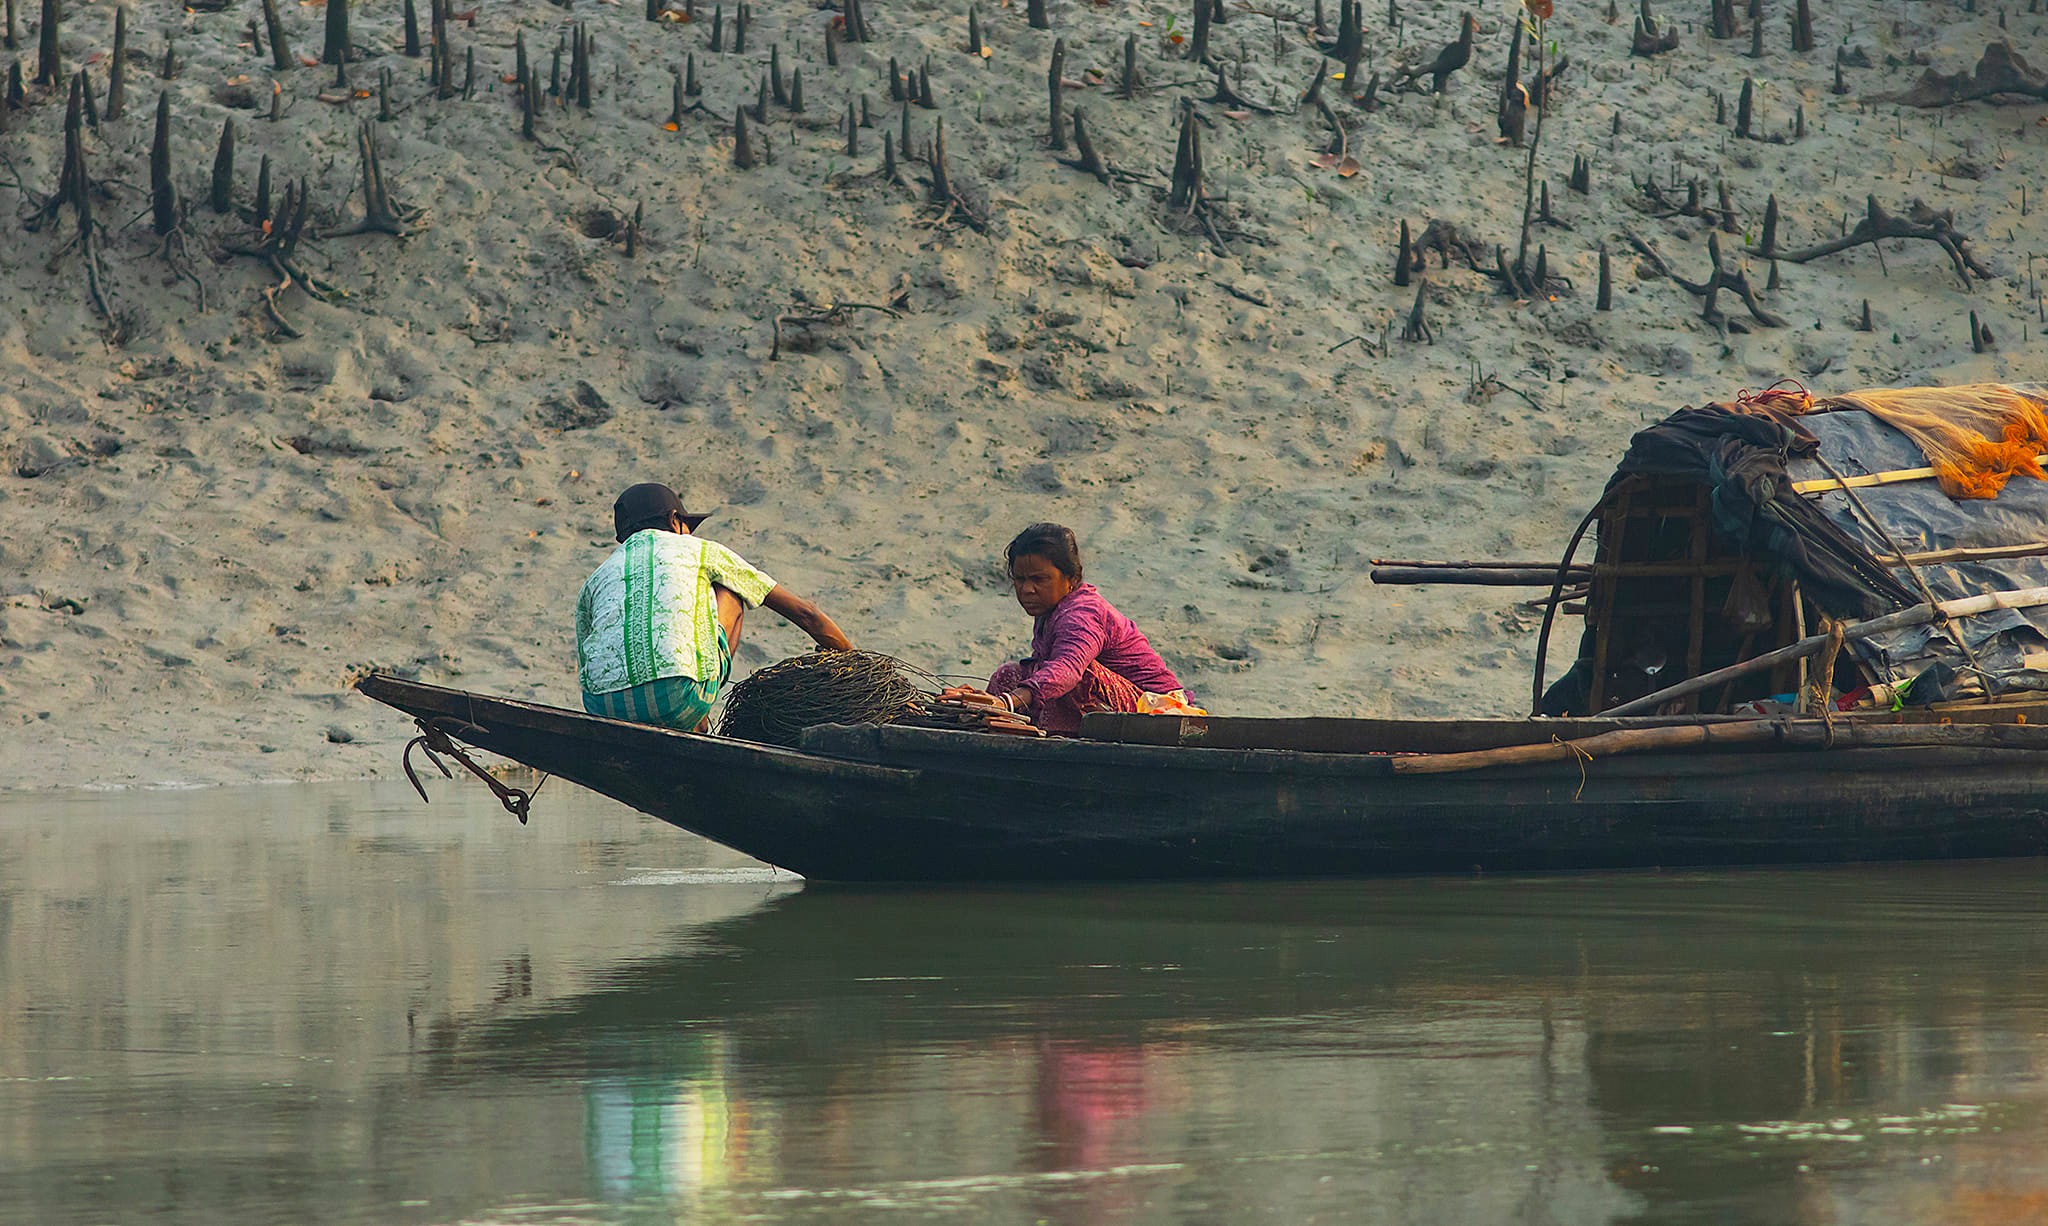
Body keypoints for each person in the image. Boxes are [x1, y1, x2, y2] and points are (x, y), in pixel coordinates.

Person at [576, 483, 851, 732]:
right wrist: (854, 662)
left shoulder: (595, 579)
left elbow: (586, 656)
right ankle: (698, 720)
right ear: (674, 520)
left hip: (602, 709)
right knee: (732, 590)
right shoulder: (699, 550)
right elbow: (807, 614)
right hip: (677, 700)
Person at [949, 523, 1191, 734]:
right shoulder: (1051, 610)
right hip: (1122, 705)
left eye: (1039, 579)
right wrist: (983, 701)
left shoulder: (1082, 613)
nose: (1027, 590)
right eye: (1020, 579)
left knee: (1075, 678)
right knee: (1010, 674)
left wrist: (1007, 702)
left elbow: (1067, 670)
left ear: (1072, 579)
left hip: (1160, 712)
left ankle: (1056, 739)